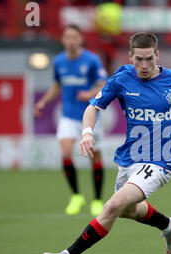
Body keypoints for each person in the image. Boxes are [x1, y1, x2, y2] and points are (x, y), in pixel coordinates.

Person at [42, 32, 171, 254]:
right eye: (138, 60)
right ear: (130, 56)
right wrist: (87, 133)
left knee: (113, 206)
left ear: (157, 55)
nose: (144, 66)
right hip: (129, 159)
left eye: (149, 59)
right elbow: (92, 107)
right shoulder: (122, 78)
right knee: (128, 210)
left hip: (160, 161)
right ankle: (168, 225)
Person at [34, 24, 108, 216]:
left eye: (75, 37)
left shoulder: (91, 60)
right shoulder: (59, 61)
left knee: (95, 158)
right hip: (68, 116)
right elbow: (57, 85)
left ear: (81, 39)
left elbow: (104, 84)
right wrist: (42, 102)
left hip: (90, 116)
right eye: (68, 37)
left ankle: (97, 200)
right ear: (63, 40)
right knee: (66, 153)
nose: (71, 41)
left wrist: (90, 94)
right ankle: (76, 195)